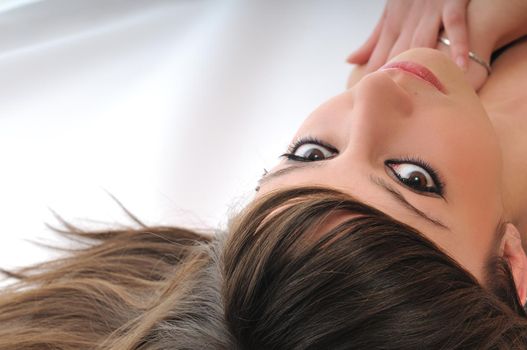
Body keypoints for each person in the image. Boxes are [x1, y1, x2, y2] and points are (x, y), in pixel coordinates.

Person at [2, 1, 527, 349]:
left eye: (312, 154)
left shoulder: (399, 70)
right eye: (414, 179)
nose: (369, 97)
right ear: (511, 266)